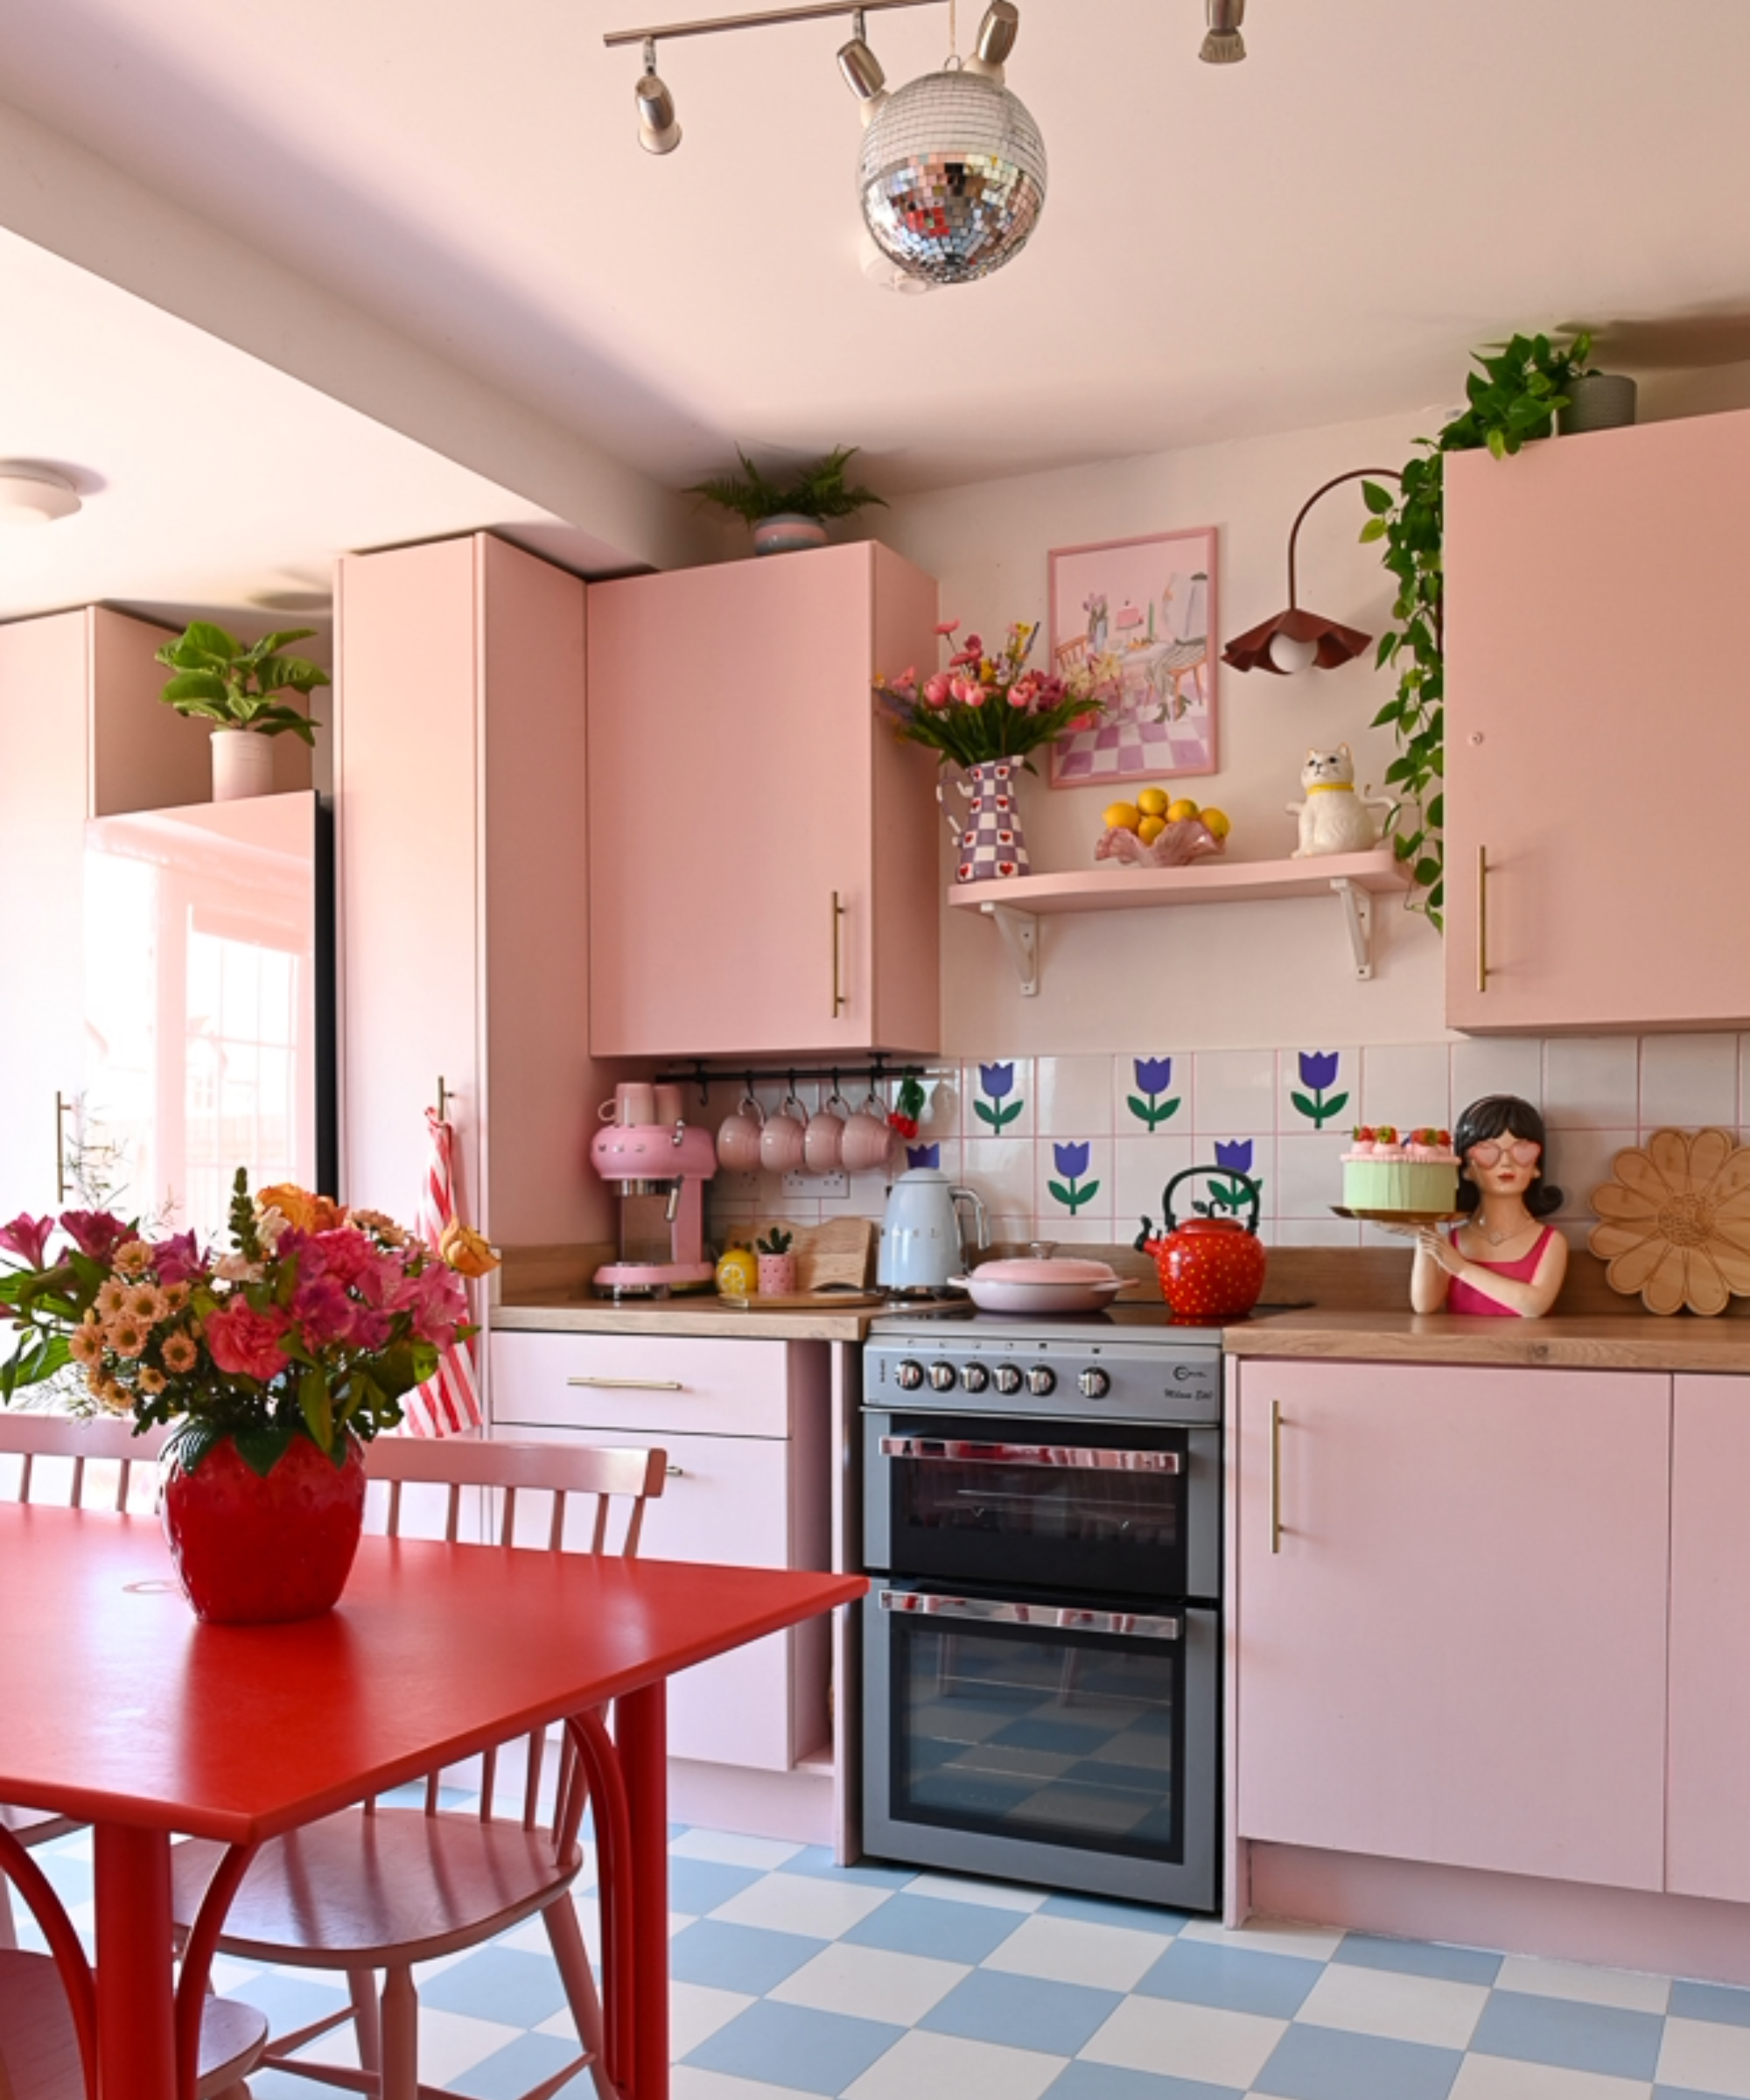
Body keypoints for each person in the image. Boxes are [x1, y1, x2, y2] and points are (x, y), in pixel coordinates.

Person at [1409, 1094, 1568, 1319]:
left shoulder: (1551, 1242)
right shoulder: (1453, 1242)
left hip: (1527, 1353)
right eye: (1487, 1151)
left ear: (1536, 1166)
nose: (1506, 1162)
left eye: (1521, 1151)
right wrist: (1424, 1228)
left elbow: (1534, 1306)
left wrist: (1462, 1269)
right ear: (1467, 1168)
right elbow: (1424, 1305)